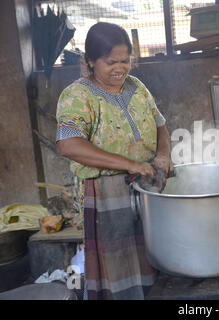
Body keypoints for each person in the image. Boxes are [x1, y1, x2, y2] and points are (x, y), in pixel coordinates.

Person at [56, 22, 173, 300]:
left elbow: (160, 125)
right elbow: (68, 144)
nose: (120, 68)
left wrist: (164, 155)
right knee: (116, 265)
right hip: (104, 193)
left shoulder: (137, 87)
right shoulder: (78, 95)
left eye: (125, 60)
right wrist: (129, 164)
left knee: (153, 255)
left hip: (146, 185)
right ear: (91, 61)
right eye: (111, 62)